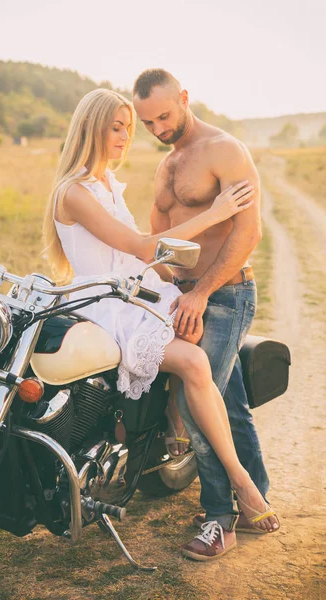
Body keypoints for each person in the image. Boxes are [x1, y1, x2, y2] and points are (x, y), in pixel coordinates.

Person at [43, 88, 279, 561]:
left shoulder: (109, 185)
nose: (129, 136)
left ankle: (182, 450)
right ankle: (242, 484)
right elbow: (138, 246)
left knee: (217, 386)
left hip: (135, 296)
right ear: (90, 126)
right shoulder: (73, 190)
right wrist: (213, 216)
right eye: (119, 126)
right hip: (106, 305)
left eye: (132, 127)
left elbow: (145, 260)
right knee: (196, 367)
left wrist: (185, 289)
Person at [132, 68, 279, 560]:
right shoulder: (167, 163)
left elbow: (248, 232)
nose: (157, 129)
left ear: (185, 98)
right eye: (147, 122)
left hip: (226, 294)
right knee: (227, 405)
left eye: (164, 116)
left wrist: (202, 292)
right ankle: (254, 494)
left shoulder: (224, 149)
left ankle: (221, 519)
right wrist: (171, 286)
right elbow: (161, 229)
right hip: (184, 295)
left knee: (198, 404)